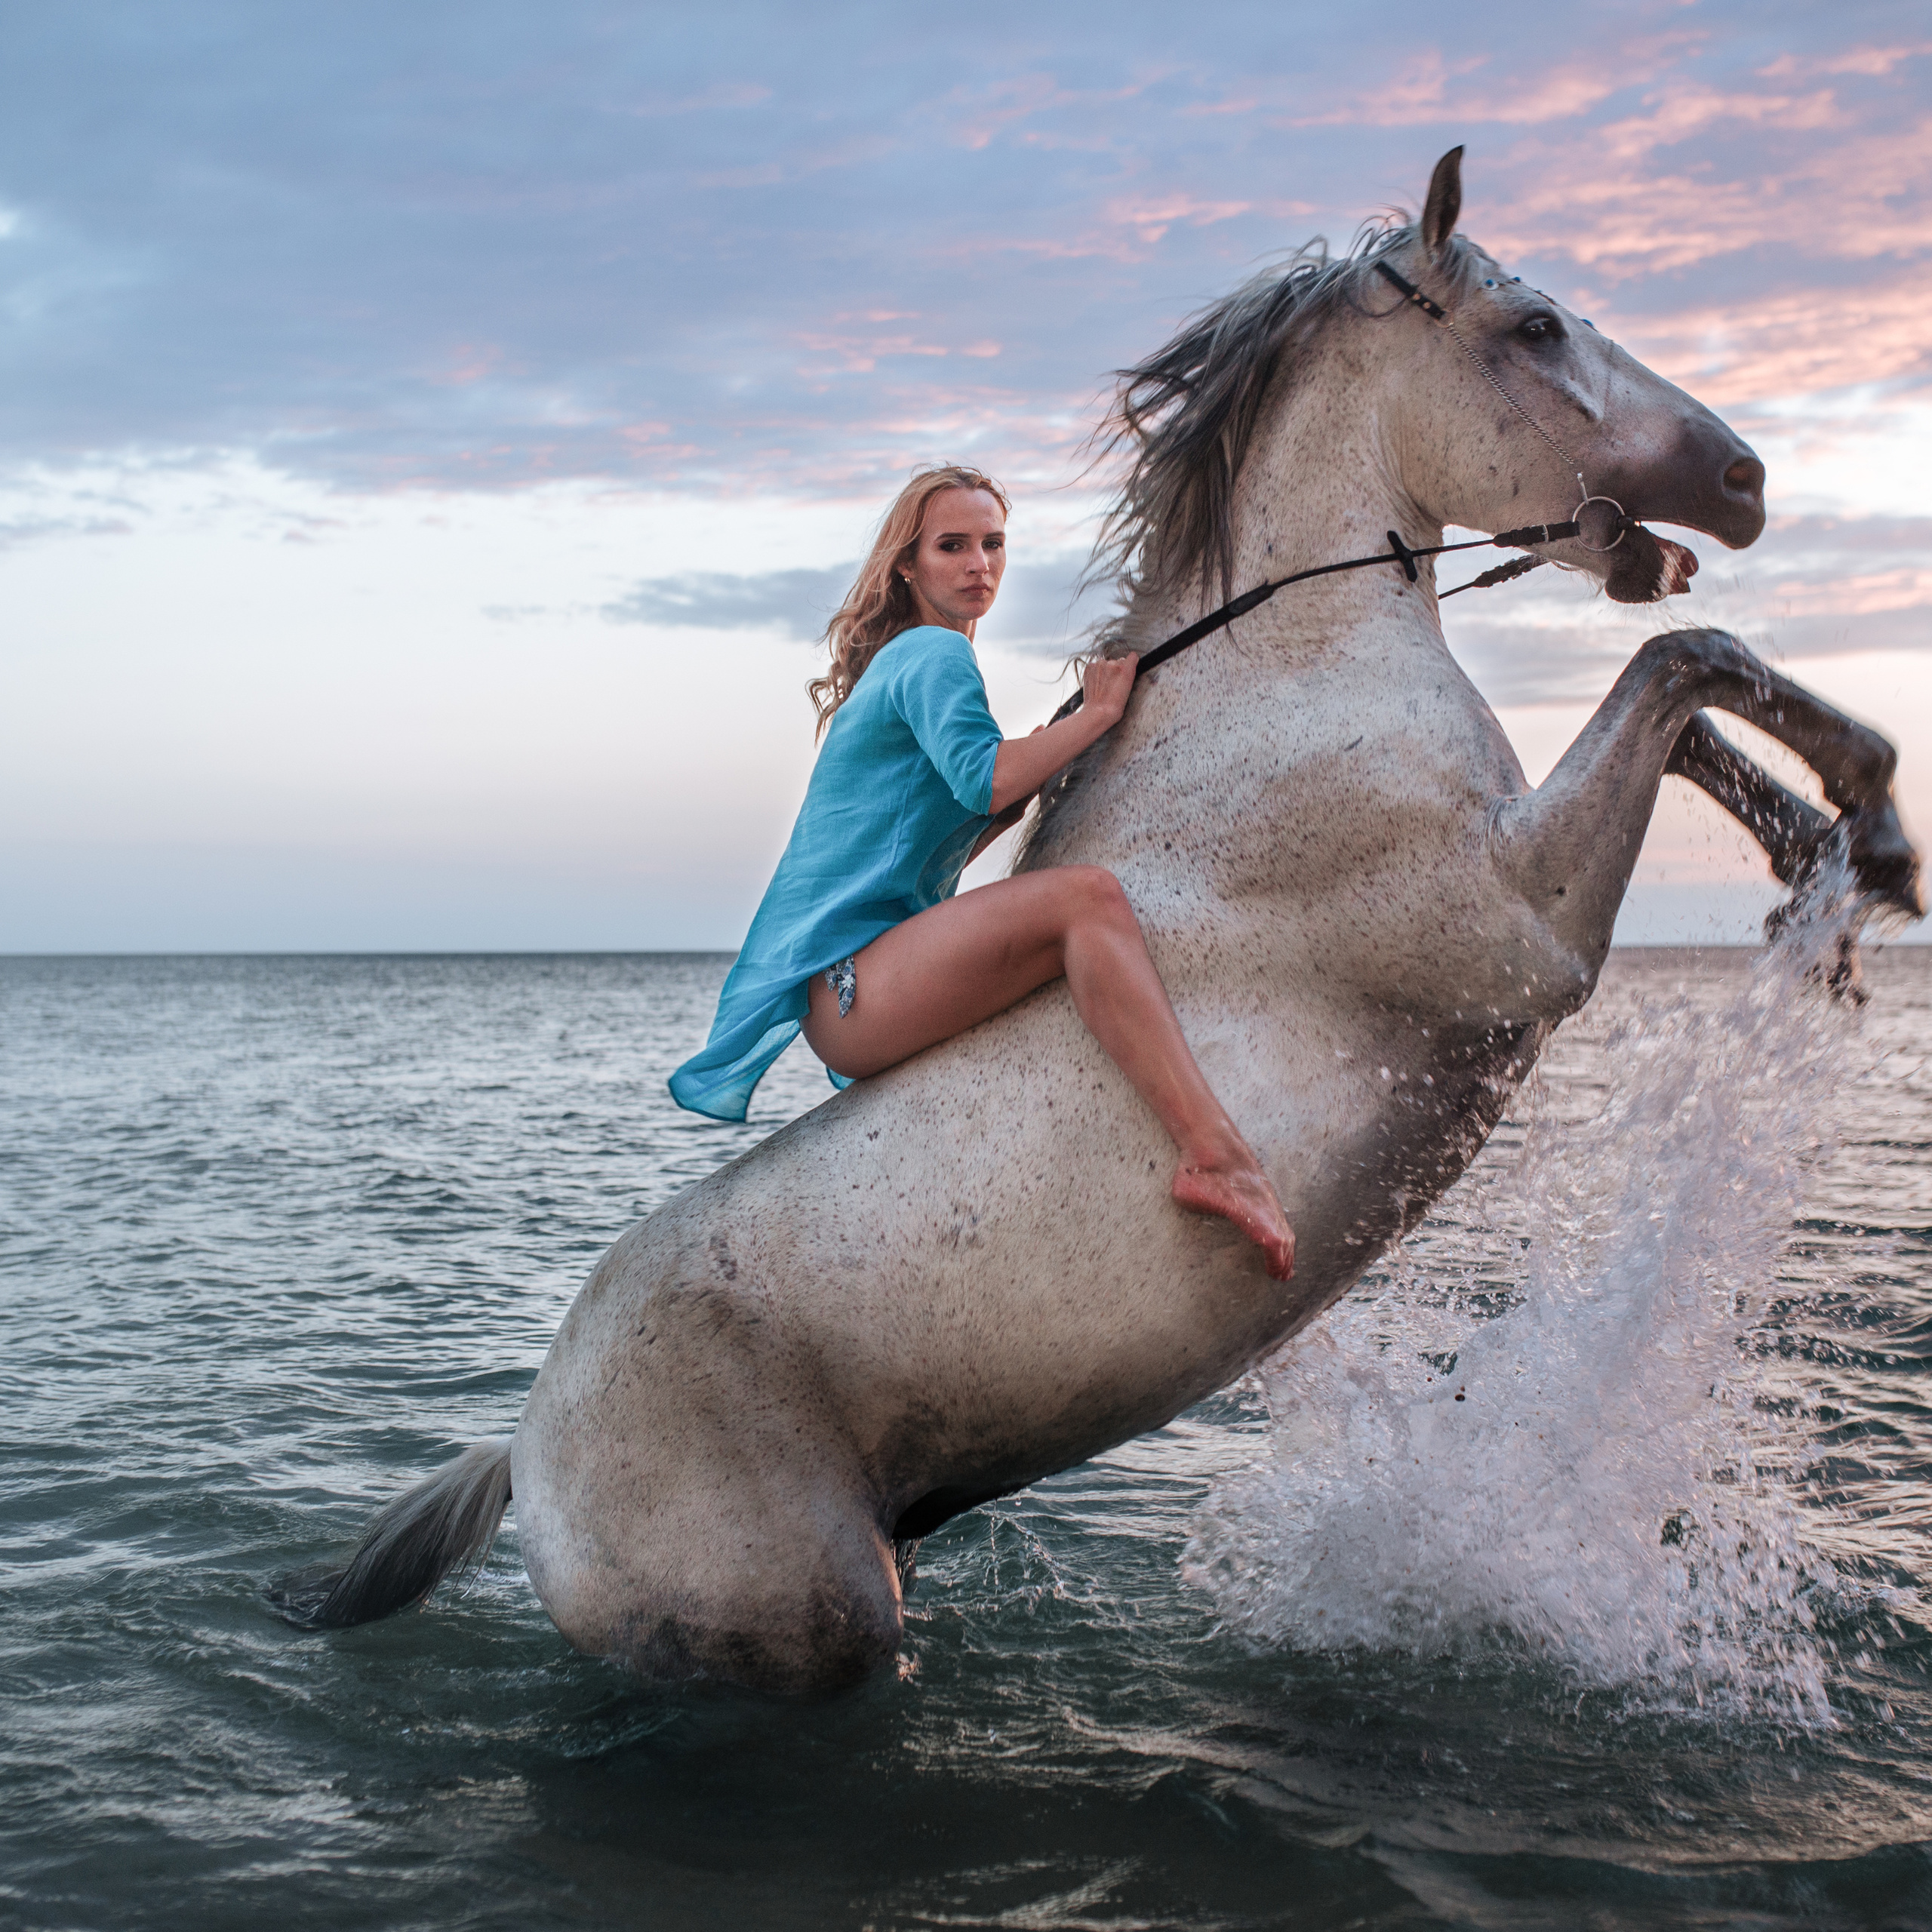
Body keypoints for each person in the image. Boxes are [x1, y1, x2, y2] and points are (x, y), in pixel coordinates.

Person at [669, 463, 1294, 1279]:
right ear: (909, 566)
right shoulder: (933, 655)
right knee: (1087, 899)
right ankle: (1213, 1154)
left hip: (862, 981)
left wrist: (1046, 752)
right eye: (951, 546)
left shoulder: (906, 662)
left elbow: (962, 822)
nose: (978, 565)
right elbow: (988, 780)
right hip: (855, 986)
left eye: (993, 544)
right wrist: (1100, 714)